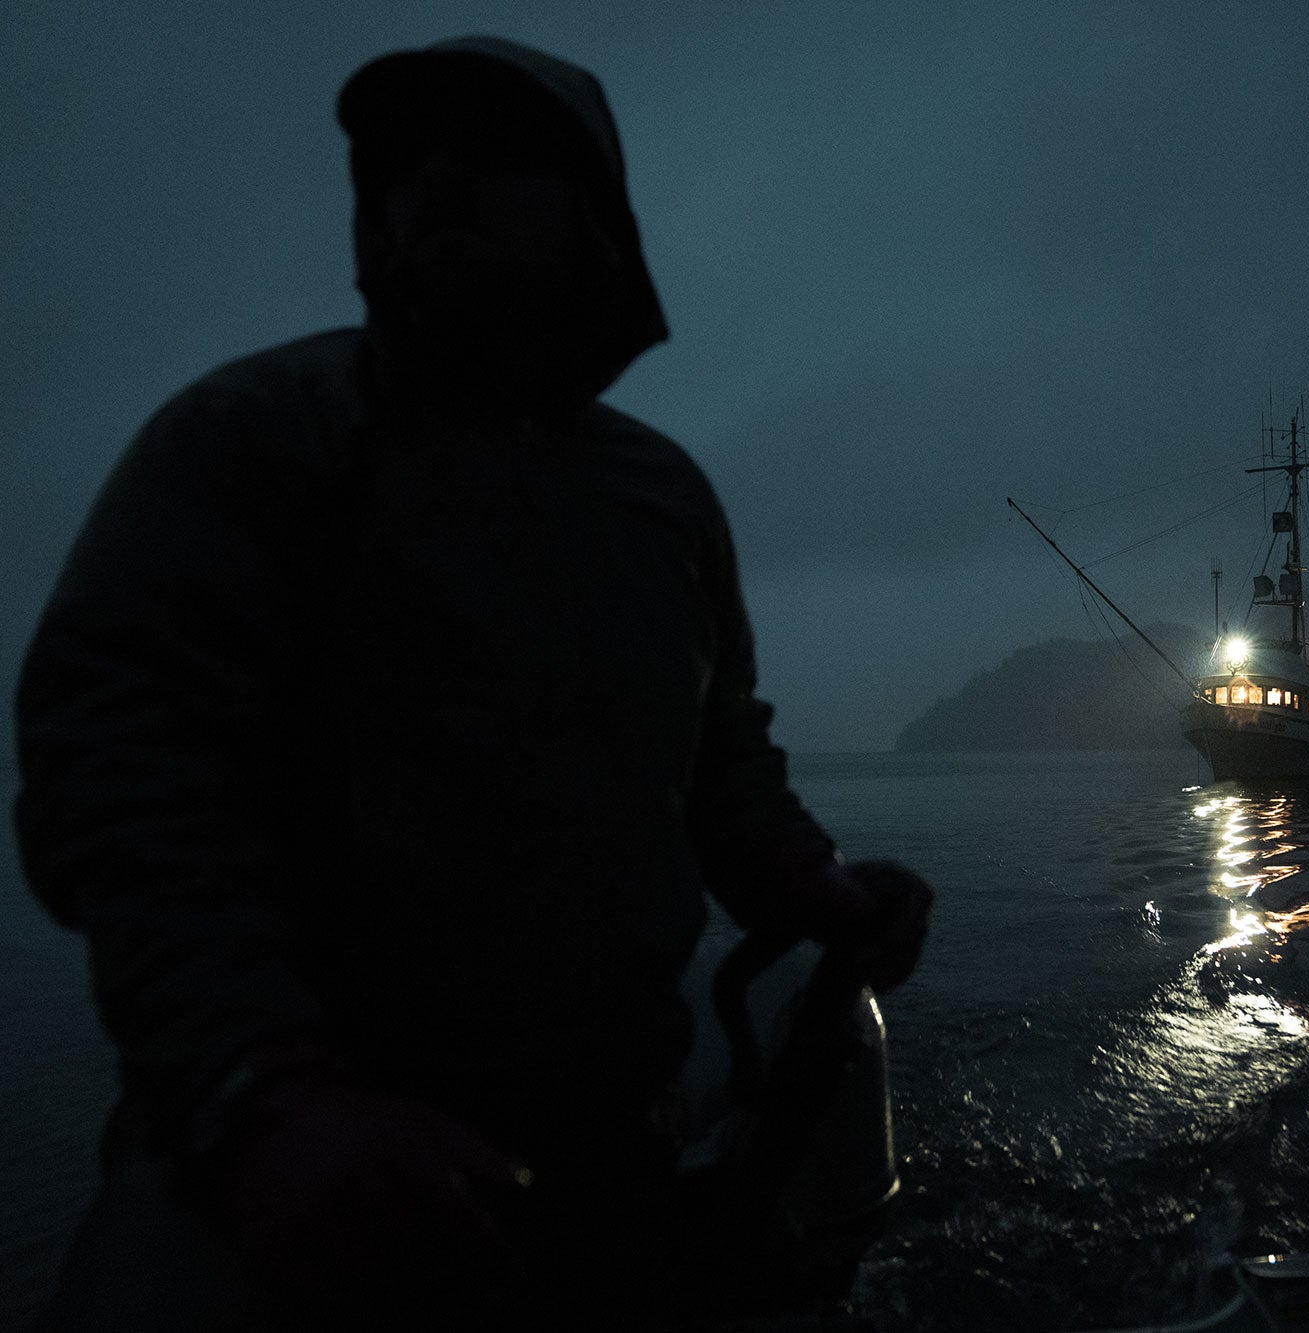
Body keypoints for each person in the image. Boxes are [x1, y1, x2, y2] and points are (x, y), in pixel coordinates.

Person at [15, 36, 930, 1330]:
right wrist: (264, 1093)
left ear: (594, 220)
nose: (436, 179)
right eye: (403, 161)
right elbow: (116, 779)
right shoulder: (249, 436)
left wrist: (821, 890)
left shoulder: (664, 501)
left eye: (497, 156)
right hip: (282, 1192)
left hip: (604, 1159)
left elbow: (723, 764)